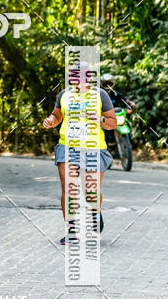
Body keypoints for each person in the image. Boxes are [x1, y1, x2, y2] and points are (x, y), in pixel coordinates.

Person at [42, 66, 117, 244]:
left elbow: (113, 123)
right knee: (69, 189)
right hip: (68, 147)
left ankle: (95, 211)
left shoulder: (100, 95)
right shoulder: (63, 95)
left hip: (94, 149)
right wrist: (50, 121)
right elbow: (56, 116)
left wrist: (99, 118)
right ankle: (72, 229)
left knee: (91, 192)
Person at [100, 74, 137, 145]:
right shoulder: (100, 94)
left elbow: (125, 100)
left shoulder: (116, 94)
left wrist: (131, 104)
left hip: (117, 115)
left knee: (128, 123)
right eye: (106, 83)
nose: (108, 85)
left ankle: (128, 140)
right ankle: (106, 144)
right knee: (102, 129)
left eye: (109, 83)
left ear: (113, 84)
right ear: (102, 84)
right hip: (105, 117)